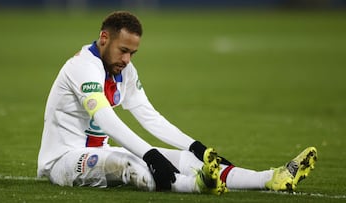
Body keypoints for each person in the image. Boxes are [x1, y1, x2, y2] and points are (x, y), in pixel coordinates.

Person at [37, 11, 317, 194]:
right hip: (63, 160)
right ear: (103, 38)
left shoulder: (124, 71)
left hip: (95, 154)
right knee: (127, 163)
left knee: (187, 159)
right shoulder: (82, 67)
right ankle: (197, 187)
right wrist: (150, 155)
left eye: (133, 53)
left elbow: (149, 116)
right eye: (123, 51)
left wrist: (195, 146)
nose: (127, 60)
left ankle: (272, 178)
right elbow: (107, 121)